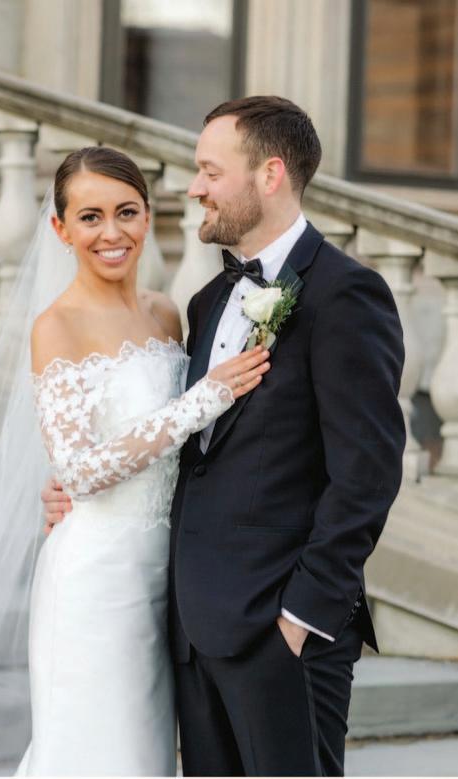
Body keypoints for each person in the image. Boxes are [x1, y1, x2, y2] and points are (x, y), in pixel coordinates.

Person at [43, 97, 406, 777]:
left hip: (281, 630)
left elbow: (367, 474)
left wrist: (302, 617)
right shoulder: (207, 302)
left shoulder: (346, 295)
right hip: (189, 628)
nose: (194, 188)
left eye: (210, 171)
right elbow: (195, 449)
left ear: (269, 175)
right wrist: (76, 484)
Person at [0, 147, 270, 777]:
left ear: (147, 216)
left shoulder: (165, 313)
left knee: (146, 756)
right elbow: (79, 471)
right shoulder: (57, 326)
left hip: (168, 575)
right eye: (90, 217)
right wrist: (203, 400)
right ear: (61, 229)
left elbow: (178, 453)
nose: (112, 232)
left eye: (126, 212)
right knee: (97, 754)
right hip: (95, 580)